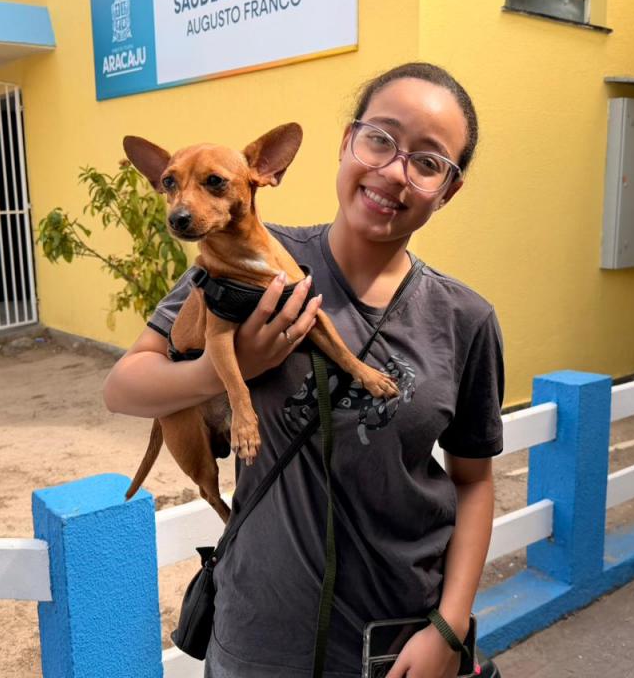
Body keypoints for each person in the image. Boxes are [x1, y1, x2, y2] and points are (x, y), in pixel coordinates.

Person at [104, 62, 504, 678]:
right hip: (257, 637)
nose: (394, 171)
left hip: (396, 642)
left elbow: (473, 481)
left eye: (428, 162)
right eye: (380, 139)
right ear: (347, 142)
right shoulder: (232, 261)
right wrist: (230, 368)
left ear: (447, 189)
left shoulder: (464, 319)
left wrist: (449, 629)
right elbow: (123, 387)